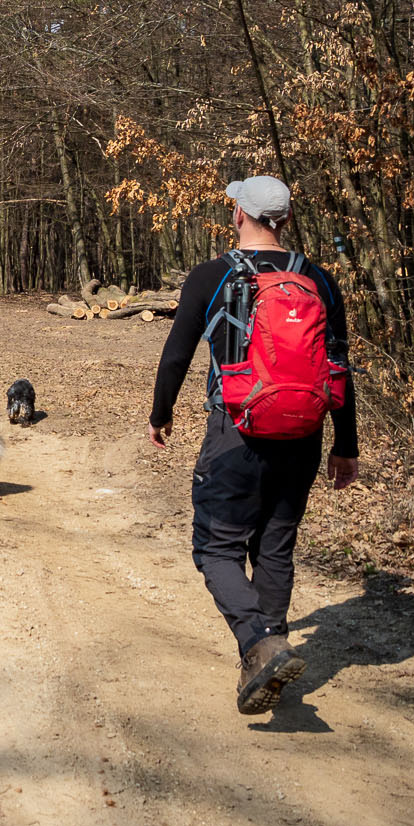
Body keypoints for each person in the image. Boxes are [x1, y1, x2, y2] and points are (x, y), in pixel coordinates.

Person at [149, 176, 359, 714]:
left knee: (215, 548)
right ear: (284, 220)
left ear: (240, 214)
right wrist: (345, 444)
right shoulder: (319, 279)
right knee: (274, 545)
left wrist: (161, 415)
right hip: (304, 433)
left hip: (235, 430)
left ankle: (260, 643)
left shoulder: (212, 276)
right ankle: (267, 655)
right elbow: (338, 365)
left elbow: (176, 355)